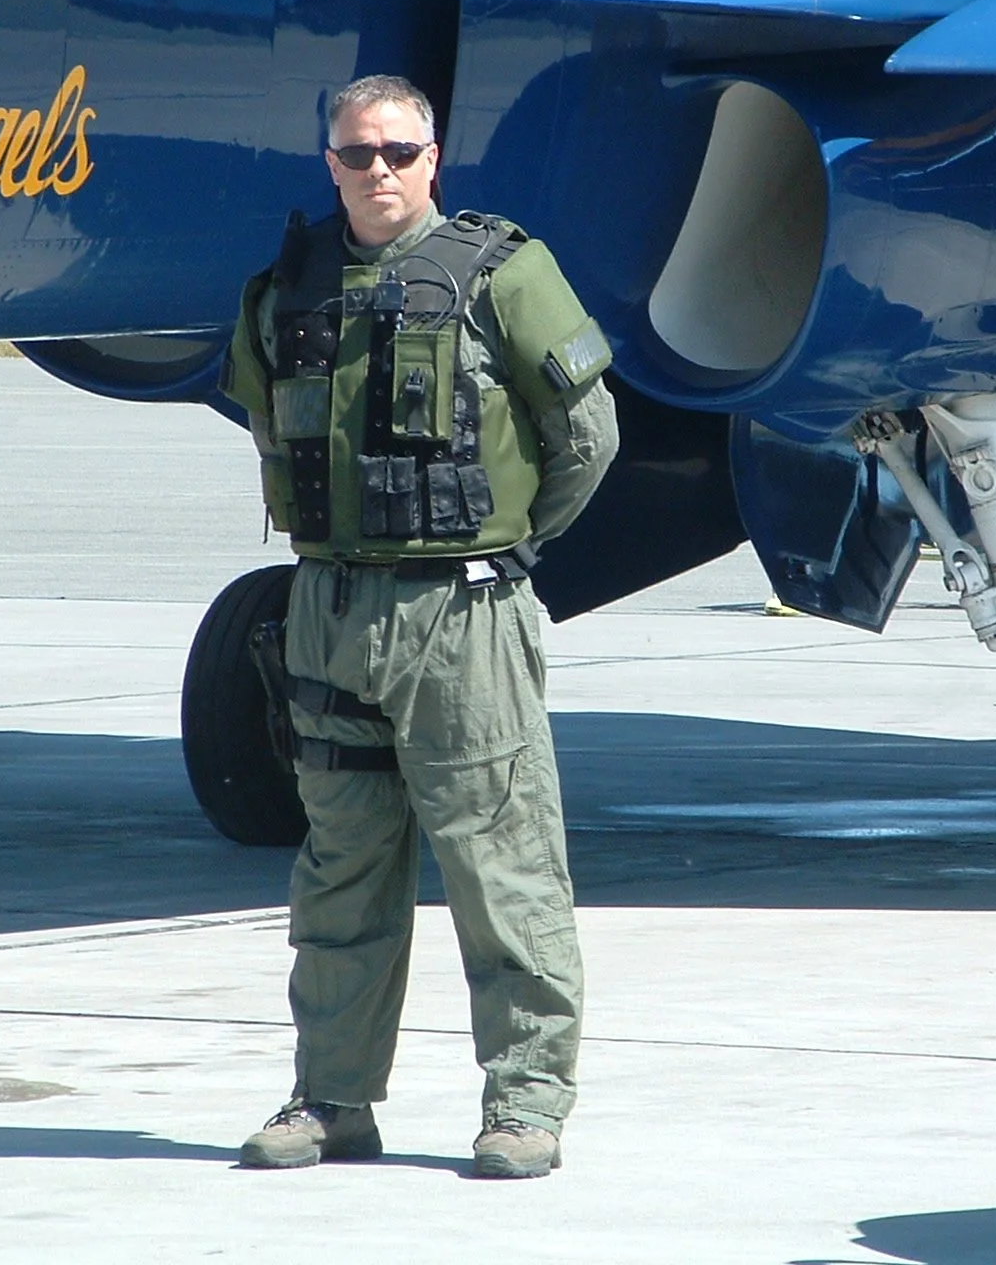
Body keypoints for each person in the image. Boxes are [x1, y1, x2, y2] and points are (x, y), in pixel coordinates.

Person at [220, 74, 618, 1179]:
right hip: (327, 610)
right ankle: (332, 1099)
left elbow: (585, 438)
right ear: (330, 164)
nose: (378, 171)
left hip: (462, 613)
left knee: (503, 869)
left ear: (432, 157)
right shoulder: (282, 291)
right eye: (356, 154)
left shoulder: (506, 275)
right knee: (339, 870)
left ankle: (525, 1107)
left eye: (398, 150)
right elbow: (264, 424)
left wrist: (499, 549)